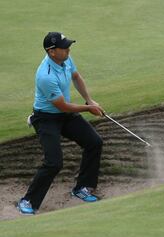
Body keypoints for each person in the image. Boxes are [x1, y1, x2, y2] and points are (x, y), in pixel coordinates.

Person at [17, 32, 105, 215]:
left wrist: (90, 100)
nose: (68, 49)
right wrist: (88, 109)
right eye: (64, 47)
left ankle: (82, 188)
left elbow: (77, 77)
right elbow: (63, 106)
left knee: (94, 142)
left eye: (67, 46)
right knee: (54, 162)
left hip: (64, 115)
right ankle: (27, 201)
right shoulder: (45, 75)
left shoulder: (65, 60)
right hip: (46, 119)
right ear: (51, 52)